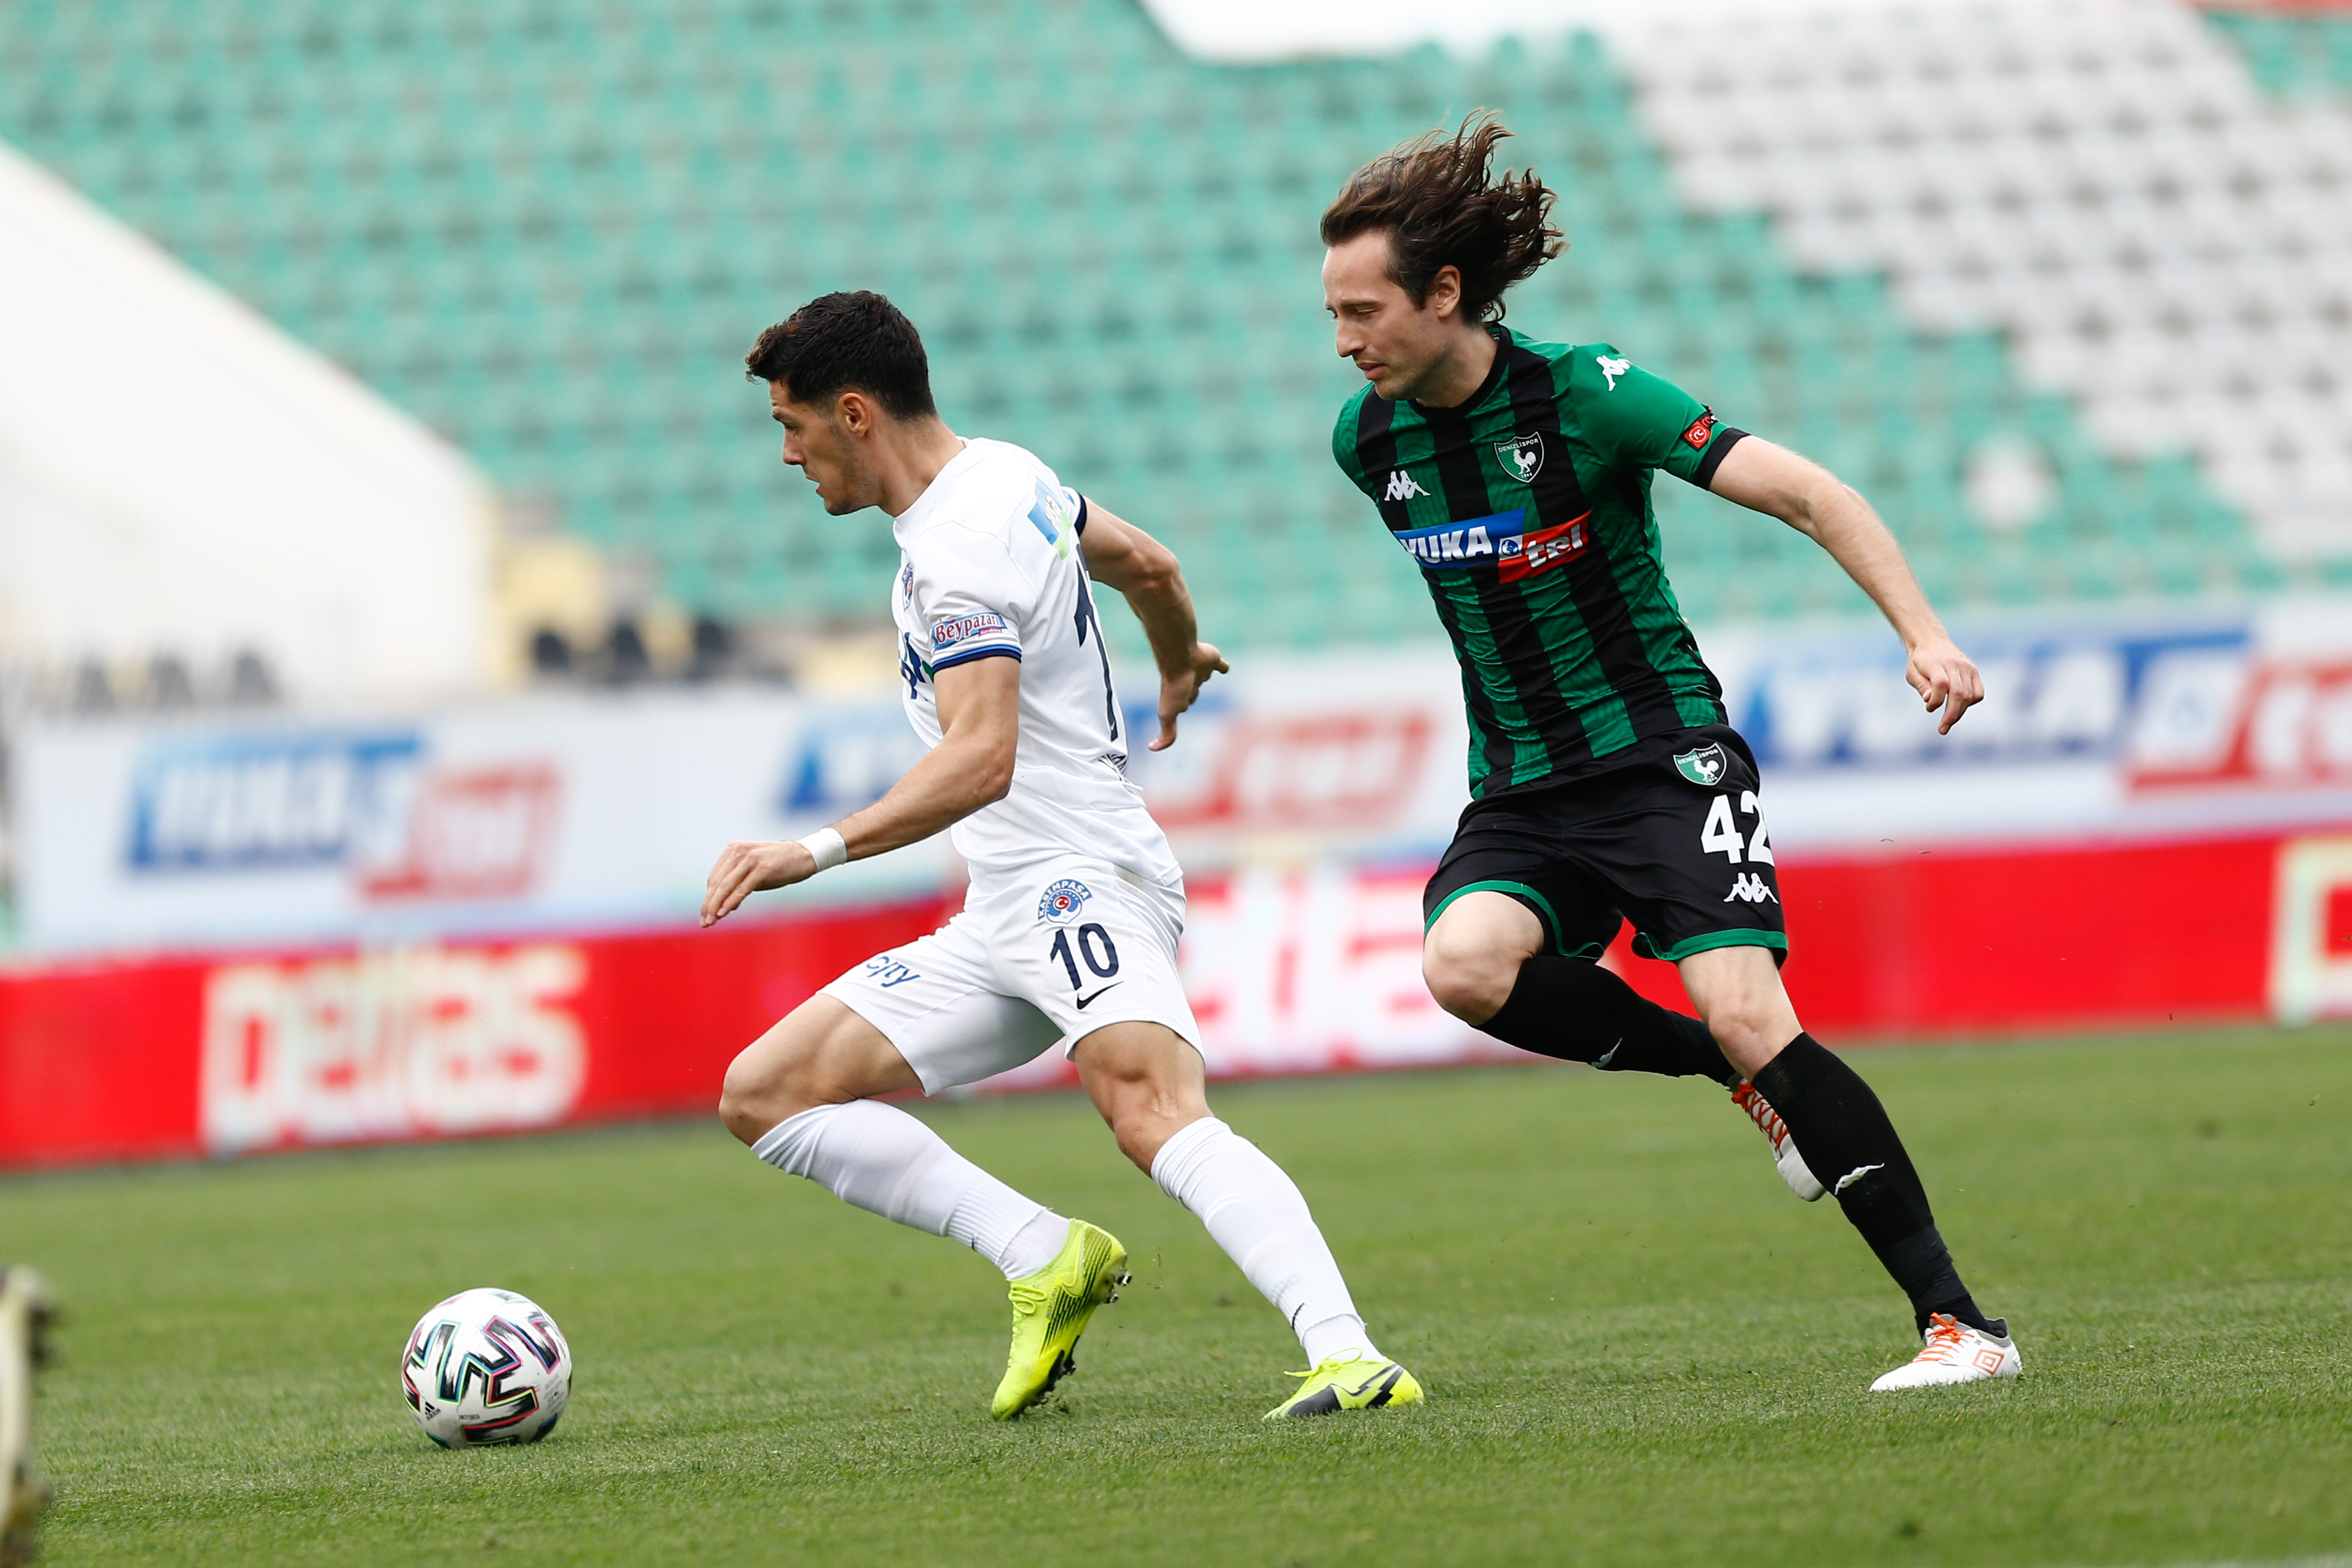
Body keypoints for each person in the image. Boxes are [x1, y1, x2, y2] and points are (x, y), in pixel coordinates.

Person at [1318, 117, 2020, 1391]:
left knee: (1749, 1008)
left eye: (1363, 311)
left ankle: (1963, 1327)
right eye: (1332, 314)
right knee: (1462, 965)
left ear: (1444, 292)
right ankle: (1732, 1078)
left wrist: (1923, 634)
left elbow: (1810, 493)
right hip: (1522, 788)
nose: (1343, 339)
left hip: (1659, 759)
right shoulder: (1367, 445)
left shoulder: (1586, 393)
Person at [706, 291, 1421, 1420]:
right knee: (767, 1091)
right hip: (1005, 905)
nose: (788, 455)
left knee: (1152, 1109)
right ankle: (1044, 1253)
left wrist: (813, 849)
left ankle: (1349, 1356)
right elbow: (1149, 564)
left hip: (1077, 876)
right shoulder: (1008, 473)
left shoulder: (954, 555)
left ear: (853, 414)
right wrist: (1177, 661)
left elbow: (981, 758)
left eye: (791, 427)